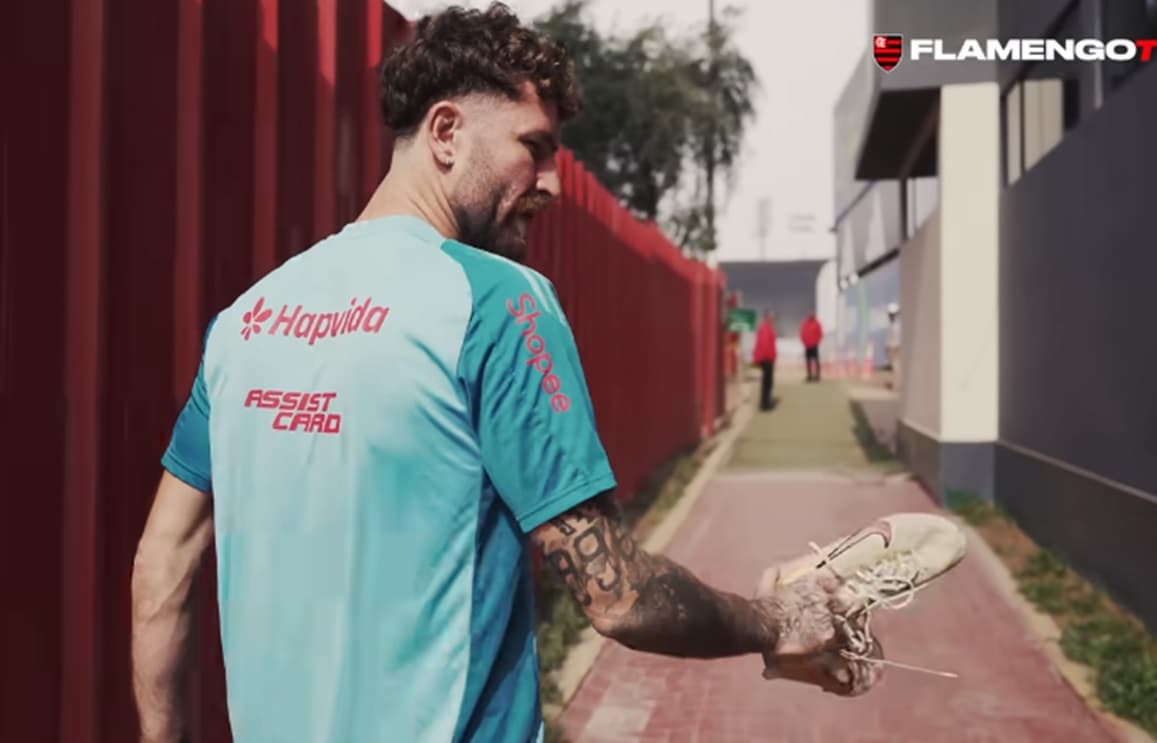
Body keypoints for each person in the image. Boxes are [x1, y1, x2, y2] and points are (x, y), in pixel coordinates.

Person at [129, 5, 881, 743]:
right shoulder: (496, 303)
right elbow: (620, 597)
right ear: (447, 132)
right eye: (535, 145)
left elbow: (162, 568)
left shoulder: (247, 321)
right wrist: (779, 619)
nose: (551, 182)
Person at [752, 310, 778, 410]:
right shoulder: (765, 328)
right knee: (767, 381)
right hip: (766, 358)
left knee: (768, 381)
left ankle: (766, 401)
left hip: (768, 358)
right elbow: (764, 344)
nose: (773, 319)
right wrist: (763, 358)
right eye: (771, 317)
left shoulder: (768, 328)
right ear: (766, 317)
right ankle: (764, 403)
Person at [801, 311, 824, 382]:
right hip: (807, 346)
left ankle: (817, 375)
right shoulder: (805, 323)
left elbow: (820, 334)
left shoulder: (817, 323)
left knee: (816, 361)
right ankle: (809, 375)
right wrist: (805, 342)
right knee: (808, 361)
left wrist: (816, 342)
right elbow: (802, 333)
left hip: (814, 345)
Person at [886, 302, 902, 390]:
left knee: (896, 367)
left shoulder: (896, 325)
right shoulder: (893, 324)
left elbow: (896, 337)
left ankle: (897, 385)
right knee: (895, 367)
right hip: (893, 347)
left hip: (895, 347)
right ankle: (897, 384)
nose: (890, 316)